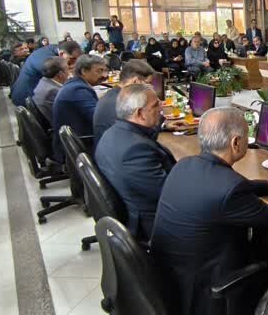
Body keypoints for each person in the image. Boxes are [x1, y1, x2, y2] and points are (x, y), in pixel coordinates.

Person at [151, 107, 268, 315]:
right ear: (236, 142)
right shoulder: (230, 189)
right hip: (207, 289)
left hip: (171, 279)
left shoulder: (185, 165)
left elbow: (229, 186)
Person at [96, 83, 176, 242]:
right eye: (155, 105)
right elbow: (169, 194)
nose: (161, 108)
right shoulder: (135, 151)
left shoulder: (114, 133)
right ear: (140, 113)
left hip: (137, 206)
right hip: (154, 224)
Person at [51, 55, 108, 162]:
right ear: (84, 71)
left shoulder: (74, 84)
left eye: (104, 71)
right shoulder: (78, 90)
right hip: (80, 147)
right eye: (99, 71)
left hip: (73, 142)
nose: (104, 75)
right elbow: (98, 120)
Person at [93, 59, 156, 145]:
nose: (151, 88)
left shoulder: (113, 95)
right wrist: (158, 117)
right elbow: (146, 136)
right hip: (119, 149)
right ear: (135, 81)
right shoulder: (122, 103)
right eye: (148, 84)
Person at [11, 40, 82, 107]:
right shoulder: (46, 61)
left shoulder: (55, 49)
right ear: (62, 54)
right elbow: (63, 81)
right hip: (26, 97)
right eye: (72, 59)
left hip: (37, 95)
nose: (73, 64)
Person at [32, 57, 70, 126]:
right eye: (67, 69)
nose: (69, 72)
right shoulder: (52, 92)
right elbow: (68, 114)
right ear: (61, 74)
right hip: (61, 126)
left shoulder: (44, 81)